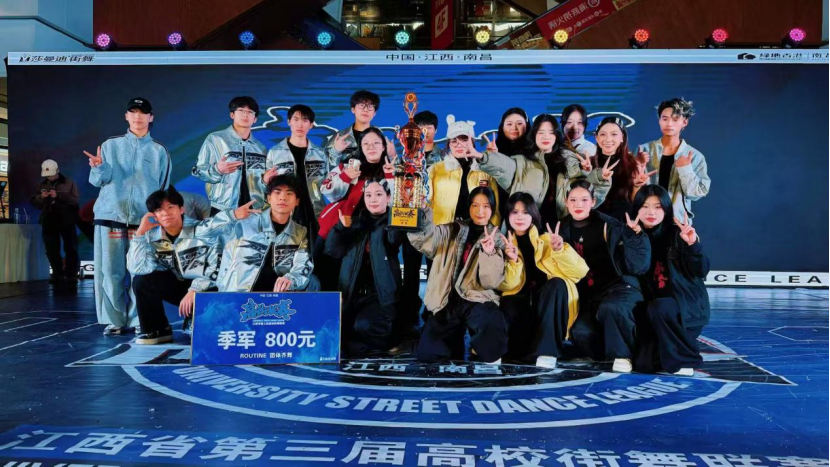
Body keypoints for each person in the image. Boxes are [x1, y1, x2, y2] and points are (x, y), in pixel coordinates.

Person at [85, 97, 171, 335]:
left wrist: (156, 218)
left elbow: (162, 189)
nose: (137, 117)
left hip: (142, 223)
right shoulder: (110, 146)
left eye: (142, 112)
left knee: (140, 270)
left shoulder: (159, 151)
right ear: (126, 116)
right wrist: (98, 167)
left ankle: (138, 319)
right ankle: (114, 319)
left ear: (151, 117)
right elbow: (97, 181)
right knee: (110, 272)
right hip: (109, 218)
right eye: (133, 112)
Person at [559, 180, 651, 373]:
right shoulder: (560, 229)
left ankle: (623, 355)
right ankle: (608, 352)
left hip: (620, 287)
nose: (578, 204)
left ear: (593, 201)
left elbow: (639, 266)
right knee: (580, 332)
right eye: (573, 200)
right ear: (566, 202)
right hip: (591, 294)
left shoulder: (610, 225)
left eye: (584, 200)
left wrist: (635, 237)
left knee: (612, 308)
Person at [409, 187, 508, 364]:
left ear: (492, 209)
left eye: (486, 206)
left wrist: (489, 253)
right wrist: (422, 212)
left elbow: (491, 281)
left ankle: (479, 346)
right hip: (447, 300)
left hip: (477, 300)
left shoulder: (498, 238)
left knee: (492, 330)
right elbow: (425, 239)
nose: (480, 211)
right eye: (475, 205)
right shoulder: (453, 229)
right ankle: (453, 340)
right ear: (468, 206)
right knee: (427, 355)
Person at [499, 193, 588, 368]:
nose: (520, 217)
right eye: (514, 212)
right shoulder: (502, 245)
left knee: (557, 284)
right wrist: (513, 261)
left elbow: (580, 271)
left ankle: (548, 352)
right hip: (522, 309)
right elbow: (506, 285)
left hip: (547, 307)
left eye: (525, 212)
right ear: (507, 215)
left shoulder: (547, 239)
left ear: (533, 215)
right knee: (508, 300)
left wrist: (560, 250)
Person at [126, 187, 224, 345]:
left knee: (205, 336)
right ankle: (157, 329)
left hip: (209, 288)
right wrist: (140, 234)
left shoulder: (203, 230)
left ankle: (197, 317)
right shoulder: (153, 237)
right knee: (142, 280)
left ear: (181, 209)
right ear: (153, 215)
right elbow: (138, 269)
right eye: (159, 210)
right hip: (181, 287)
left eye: (170, 207)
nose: (165, 213)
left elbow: (219, 267)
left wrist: (194, 290)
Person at [631, 185, 710, 376]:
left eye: (657, 207)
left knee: (661, 306)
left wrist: (692, 245)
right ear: (636, 209)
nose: (651, 212)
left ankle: (686, 360)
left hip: (684, 312)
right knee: (644, 365)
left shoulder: (678, 234)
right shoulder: (633, 236)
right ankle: (672, 349)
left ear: (666, 209)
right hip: (654, 315)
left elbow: (701, 270)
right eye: (645, 206)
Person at [476, 114, 608, 225]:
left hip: (563, 229)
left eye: (551, 132)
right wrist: (482, 156)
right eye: (541, 132)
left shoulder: (571, 161)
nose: (546, 137)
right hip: (527, 228)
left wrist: (594, 175)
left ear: (556, 135)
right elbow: (503, 167)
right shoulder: (522, 161)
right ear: (534, 135)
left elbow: (588, 197)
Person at [325, 179, 407, 356]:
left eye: (378, 194)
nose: (373, 199)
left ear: (388, 197)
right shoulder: (354, 222)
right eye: (368, 195)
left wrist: (400, 211)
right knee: (334, 331)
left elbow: (394, 238)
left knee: (364, 326)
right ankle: (358, 344)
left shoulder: (393, 222)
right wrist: (340, 228)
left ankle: (376, 342)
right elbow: (333, 251)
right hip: (352, 293)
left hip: (380, 296)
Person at [317, 127, 395, 290]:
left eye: (376, 143)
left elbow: (397, 202)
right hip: (342, 223)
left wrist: (390, 177)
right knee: (327, 267)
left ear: (384, 147)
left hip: (376, 228)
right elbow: (326, 190)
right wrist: (345, 177)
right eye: (366, 143)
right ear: (360, 146)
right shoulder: (349, 165)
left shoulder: (393, 168)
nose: (371, 147)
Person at [213, 175, 318, 293]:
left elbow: (303, 264)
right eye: (277, 193)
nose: (283, 198)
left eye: (289, 194)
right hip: (238, 293)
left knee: (313, 282)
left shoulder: (299, 232)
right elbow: (210, 240)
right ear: (269, 198)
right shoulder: (244, 222)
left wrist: (291, 279)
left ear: (297, 201)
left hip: (276, 296)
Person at [637, 97, 710, 224]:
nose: (669, 124)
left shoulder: (695, 156)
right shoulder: (643, 150)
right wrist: (636, 168)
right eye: (665, 119)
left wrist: (685, 169)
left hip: (677, 222)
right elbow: (628, 190)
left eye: (675, 119)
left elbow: (696, 194)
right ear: (659, 120)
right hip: (645, 221)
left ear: (685, 122)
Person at [192, 96, 268, 215]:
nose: (245, 115)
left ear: (255, 119)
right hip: (222, 208)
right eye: (241, 110)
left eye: (250, 112)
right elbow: (197, 170)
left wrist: (265, 181)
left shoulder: (260, 148)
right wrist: (217, 170)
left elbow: (262, 183)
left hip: (253, 209)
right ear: (232, 114)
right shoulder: (215, 139)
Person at [263, 104, 328, 237]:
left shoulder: (320, 154)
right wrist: (264, 181)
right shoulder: (275, 152)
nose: (300, 124)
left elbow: (328, 184)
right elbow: (267, 188)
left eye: (305, 120)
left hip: (315, 212)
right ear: (289, 122)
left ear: (311, 125)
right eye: (296, 119)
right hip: (285, 212)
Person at [427, 115, 501, 226]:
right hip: (443, 231)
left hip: (477, 232)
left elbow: (495, 207)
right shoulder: (435, 170)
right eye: (454, 141)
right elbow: (426, 204)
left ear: (472, 142)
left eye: (465, 140)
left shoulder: (485, 170)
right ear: (449, 144)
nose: (459, 145)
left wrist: (492, 231)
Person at [31, 159, 80, 283]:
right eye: (47, 175)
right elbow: (35, 203)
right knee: (51, 249)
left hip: (67, 219)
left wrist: (58, 196)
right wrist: (41, 197)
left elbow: (75, 200)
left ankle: (71, 274)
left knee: (71, 247)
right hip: (49, 220)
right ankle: (57, 273)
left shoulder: (69, 182)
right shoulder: (40, 186)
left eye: (52, 175)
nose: (50, 177)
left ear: (57, 171)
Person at [326, 90, 395, 171]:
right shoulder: (339, 138)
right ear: (353, 109)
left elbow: (395, 170)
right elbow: (328, 171)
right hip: (347, 178)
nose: (365, 110)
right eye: (361, 105)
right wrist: (336, 152)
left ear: (374, 113)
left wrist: (392, 156)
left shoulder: (382, 138)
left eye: (370, 106)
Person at [592, 117, 638, 221]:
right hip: (595, 221)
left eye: (614, 134)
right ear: (596, 138)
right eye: (603, 134)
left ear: (622, 137)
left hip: (624, 221)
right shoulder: (588, 163)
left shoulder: (632, 164)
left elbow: (637, 200)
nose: (608, 139)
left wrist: (638, 185)